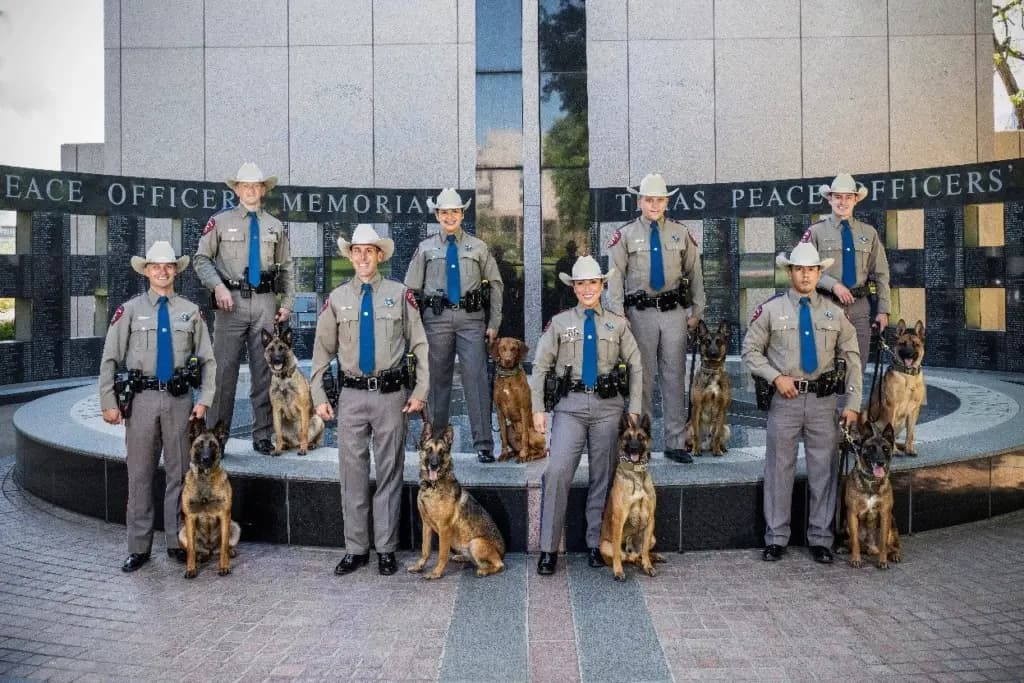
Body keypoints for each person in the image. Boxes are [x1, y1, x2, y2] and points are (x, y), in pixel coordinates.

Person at [310, 224, 429, 577]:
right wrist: (319, 394)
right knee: (352, 474)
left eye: (369, 251)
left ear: (380, 255)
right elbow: (321, 352)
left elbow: (419, 344)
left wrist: (420, 391)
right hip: (351, 397)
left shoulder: (400, 294)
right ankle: (357, 549)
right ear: (350, 256)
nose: (363, 257)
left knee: (390, 472)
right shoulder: (338, 299)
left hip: (391, 396)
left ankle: (387, 548)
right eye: (357, 251)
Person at [98, 241, 216, 572]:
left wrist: (205, 399)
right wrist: (109, 401)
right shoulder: (130, 310)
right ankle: (139, 547)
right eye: (155, 266)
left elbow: (208, 359)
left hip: (180, 401)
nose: (162, 271)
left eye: (168, 266)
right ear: (147, 271)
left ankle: (176, 541)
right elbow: (109, 358)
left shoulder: (190, 311)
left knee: (179, 474)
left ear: (176, 271)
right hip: (143, 400)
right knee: (139, 475)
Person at [741, 242, 862, 565]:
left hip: (823, 402)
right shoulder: (771, 310)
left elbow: (851, 359)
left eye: (811, 269)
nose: (805, 275)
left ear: (819, 273)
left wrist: (853, 403)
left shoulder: (834, 313)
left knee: (824, 471)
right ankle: (776, 537)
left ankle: (821, 538)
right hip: (785, 400)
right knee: (779, 468)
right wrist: (775, 377)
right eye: (799, 269)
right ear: (790, 272)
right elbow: (750, 351)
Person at [530, 256, 643, 576]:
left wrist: (634, 409)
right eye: (581, 284)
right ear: (574, 287)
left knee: (602, 476)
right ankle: (548, 548)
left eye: (593, 282)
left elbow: (635, 365)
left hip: (608, 408)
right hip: (571, 406)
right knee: (557, 472)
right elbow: (541, 366)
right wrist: (538, 408)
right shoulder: (560, 322)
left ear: (602, 285)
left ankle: (596, 543)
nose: (588, 289)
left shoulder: (618, 324)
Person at [193, 162, 295, 455]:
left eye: (256, 186)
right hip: (230, 302)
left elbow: (287, 267)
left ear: (263, 190)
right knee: (223, 372)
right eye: (245, 186)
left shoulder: (275, 226)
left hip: (264, 301)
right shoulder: (220, 222)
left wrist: (286, 303)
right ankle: (216, 437)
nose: (251, 191)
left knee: (265, 371)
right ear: (237, 189)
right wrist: (218, 286)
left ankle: (262, 434)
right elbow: (201, 259)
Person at [606, 172, 705, 464]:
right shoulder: (625, 235)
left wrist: (697, 311)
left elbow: (694, 273)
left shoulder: (679, 232)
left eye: (660, 199)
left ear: (666, 202)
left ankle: (675, 442)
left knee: (674, 378)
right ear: (640, 201)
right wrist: (617, 313)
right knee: (642, 378)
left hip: (674, 313)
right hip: (639, 315)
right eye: (649, 199)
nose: (654, 204)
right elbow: (614, 276)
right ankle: (641, 442)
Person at [404, 188, 503, 463]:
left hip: (471, 320)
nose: (450, 217)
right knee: (437, 383)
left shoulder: (478, 247)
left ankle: (483, 443)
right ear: (437, 215)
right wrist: (414, 330)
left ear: (463, 214)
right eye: (444, 212)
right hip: (436, 320)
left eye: (455, 212)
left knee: (476, 380)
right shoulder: (425, 249)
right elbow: (410, 292)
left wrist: (494, 322)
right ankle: (436, 442)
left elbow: (495, 285)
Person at [802, 173, 891, 384]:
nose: (842, 202)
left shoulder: (869, 233)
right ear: (829, 199)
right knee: (826, 369)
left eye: (847, 197)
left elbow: (881, 274)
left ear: (855, 200)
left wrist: (883, 310)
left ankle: (849, 416)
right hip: (826, 306)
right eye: (838, 197)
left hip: (859, 308)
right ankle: (827, 416)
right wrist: (833, 285)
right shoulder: (815, 232)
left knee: (856, 367)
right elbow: (804, 270)